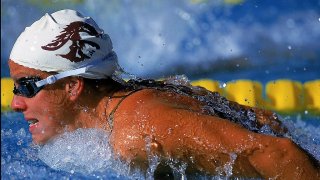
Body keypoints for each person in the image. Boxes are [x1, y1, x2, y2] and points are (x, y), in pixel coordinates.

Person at [9, 9, 319, 179]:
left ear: (72, 86)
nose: (15, 103)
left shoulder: (138, 132)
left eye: (26, 86)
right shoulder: (130, 99)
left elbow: (281, 155)